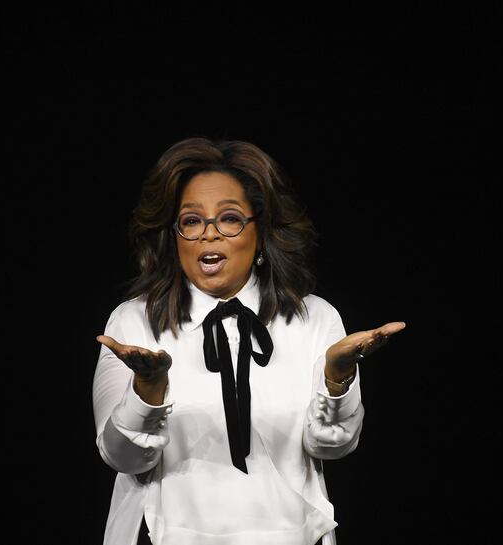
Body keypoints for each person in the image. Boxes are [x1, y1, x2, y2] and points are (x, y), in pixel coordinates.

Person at [92, 137, 405, 545]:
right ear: (173, 236)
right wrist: (147, 392)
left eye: (229, 218)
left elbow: (332, 447)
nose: (209, 234)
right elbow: (122, 457)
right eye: (191, 220)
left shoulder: (314, 318)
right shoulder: (133, 320)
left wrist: (337, 378)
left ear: (261, 232)